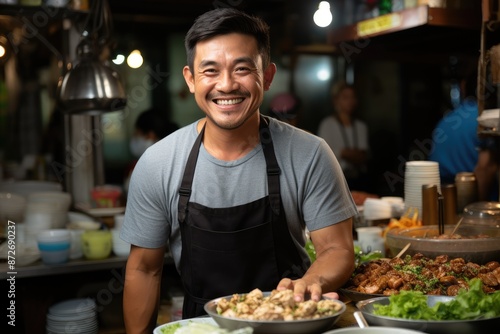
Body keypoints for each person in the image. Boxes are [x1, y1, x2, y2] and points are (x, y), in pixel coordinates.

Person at [120, 8, 357, 333]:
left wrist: (310, 281)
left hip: (289, 322)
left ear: (268, 75)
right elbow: (144, 271)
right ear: (191, 79)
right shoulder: (158, 162)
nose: (227, 85)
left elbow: (337, 249)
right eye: (211, 71)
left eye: (242, 69)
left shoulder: (310, 153)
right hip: (200, 327)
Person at [428, 69, 499, 202]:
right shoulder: (486, 121)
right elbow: (486, 167)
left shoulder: (447, 120)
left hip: (440, 197)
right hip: (469, 200)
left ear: (463, 86)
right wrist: (476, 212)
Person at [317, 81, 370, 191]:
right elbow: (325, 155)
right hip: (335, 179)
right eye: (345, 97)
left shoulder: (361, 126)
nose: (350, 101)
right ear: (336, 100)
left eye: (352, 97)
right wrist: (345, 153)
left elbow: (363, 156)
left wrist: (343, 152)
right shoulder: (327, 124)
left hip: (358, 178)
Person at [124, 108, 179, 192]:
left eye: (137, 133)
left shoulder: (150, 165)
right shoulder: (174, 157)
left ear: (150, 135)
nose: (134, 137)